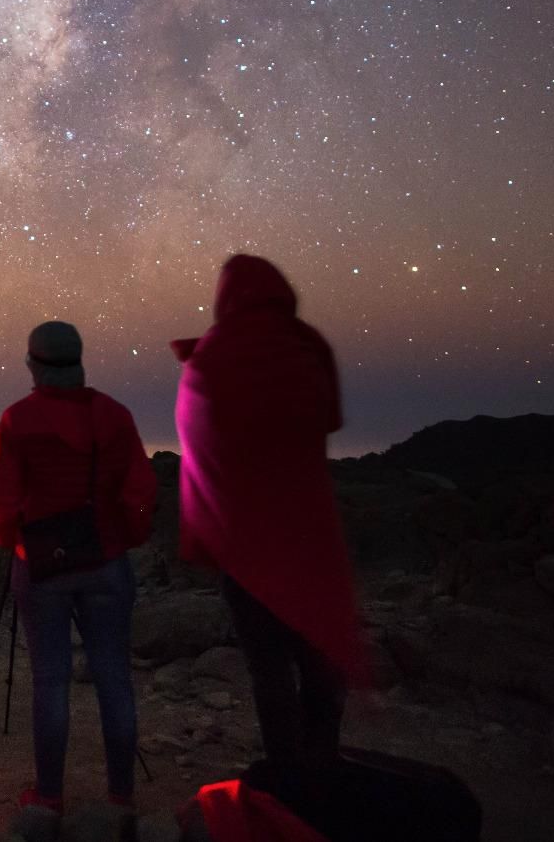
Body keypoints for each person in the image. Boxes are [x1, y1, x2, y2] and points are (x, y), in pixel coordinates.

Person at [172, 254, 368, 813]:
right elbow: (328, 418)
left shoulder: (213, 355)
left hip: (248, 540)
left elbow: (198, 440)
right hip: (310, 532)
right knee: (320, 651)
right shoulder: (308, 344)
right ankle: (322, 763)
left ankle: (285, 777)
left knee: (269, 666)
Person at [0, 320, 157, 814]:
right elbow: (141, 490)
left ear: (34, 363)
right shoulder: (114, 416)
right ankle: (121, 793)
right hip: (105, 559)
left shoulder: (17, 420)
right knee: (114, 676)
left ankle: (50, 795)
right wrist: (125, 539)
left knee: (50, 680)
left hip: (41, 565)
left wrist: (11, 542)